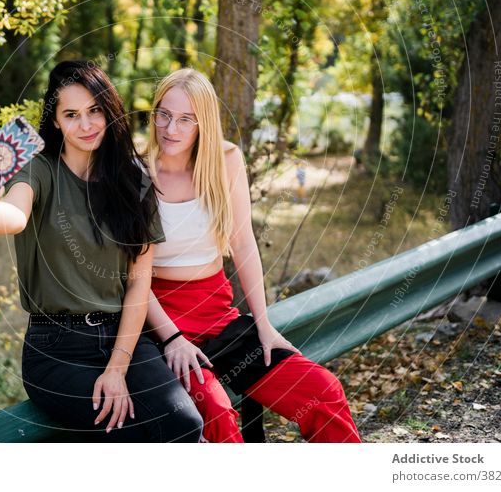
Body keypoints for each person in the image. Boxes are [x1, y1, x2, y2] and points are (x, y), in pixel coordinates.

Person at [0, 61, 202, 442]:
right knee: (128, 434)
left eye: (94, 111)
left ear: (109, 110)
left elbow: (138, 284)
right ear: (54, 121)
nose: (86, 125)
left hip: (124, 338)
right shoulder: (39, 171)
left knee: (186, 426)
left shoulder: (133, 181)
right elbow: (13, 215)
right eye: (71, 114)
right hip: (56, 348)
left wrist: (117, 367)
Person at [144, 68, 361, 443]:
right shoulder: (136, 170)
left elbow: (243, 242)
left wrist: (264, 324)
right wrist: (172, 337)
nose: (171, 129)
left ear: (204, 122)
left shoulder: (225, 159)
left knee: (323, 392)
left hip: (218, 315)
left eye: (184, 119)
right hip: (159, 321)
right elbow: (128, 276)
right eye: (163, 114)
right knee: (217, 415)